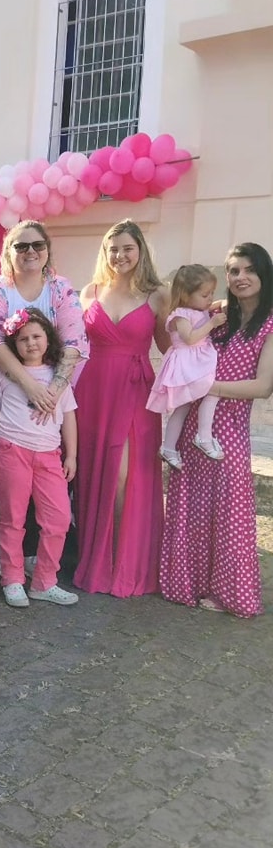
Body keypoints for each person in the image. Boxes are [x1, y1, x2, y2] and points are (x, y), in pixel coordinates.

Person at [0, 221, 88, 586]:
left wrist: (51, 392)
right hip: (4, 400)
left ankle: (33, 560)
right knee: (1, 487)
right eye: (21, 246)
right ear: (9, 252)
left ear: (47, 250)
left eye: (37, 245)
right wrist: (30, 387)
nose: (30, 251)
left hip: (49, 405)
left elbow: (74, 341)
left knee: (45, 490)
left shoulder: (61, 289)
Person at [161, 242, 273, 618]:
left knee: (228, 515)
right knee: (191, 510)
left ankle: (230, 595)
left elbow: (263, 387)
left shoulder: (269, 323)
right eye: (234, 271)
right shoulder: (216, 313)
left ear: (264, 273)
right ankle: (187, 584)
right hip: (193, 425)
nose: (241, 277)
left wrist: (208, 388)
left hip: (228, 432)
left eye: (249, 270)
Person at [73, 220, 169, 597]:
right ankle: (95, 560)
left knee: (124, 477)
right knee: (92, 474)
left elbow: (171, 348)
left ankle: (124, 562)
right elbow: (72, 344)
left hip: (135, 391)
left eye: (127, 248)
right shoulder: (90, 291)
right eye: (113, 249)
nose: (120, 255)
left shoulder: (157, 295)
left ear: (140, 250)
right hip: (93, 391)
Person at [0, 309, 78, 608]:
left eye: (36, 336)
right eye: (23, 339)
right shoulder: (5, 375)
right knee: (12, 518)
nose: (31, 343)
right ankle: (12, 579)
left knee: (59, 519)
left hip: (49, 456)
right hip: (12, 452)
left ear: (48, 339)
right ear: (14, 344)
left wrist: (72, 455)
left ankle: (45, 582)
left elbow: (69, 417)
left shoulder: (58, 378)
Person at [147, 264, 227, 466]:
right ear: (185, 295)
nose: (209, 298)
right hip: (187, 363)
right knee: (206, 394)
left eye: (211, 293)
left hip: (197, 361)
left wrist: (224, 303)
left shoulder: (199, 308)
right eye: (205, 295)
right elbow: (190, 338)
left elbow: (216, 304)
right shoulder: (181, 314)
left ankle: (171, 447)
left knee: (197, 400)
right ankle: (200, 438)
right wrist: (212, 324)